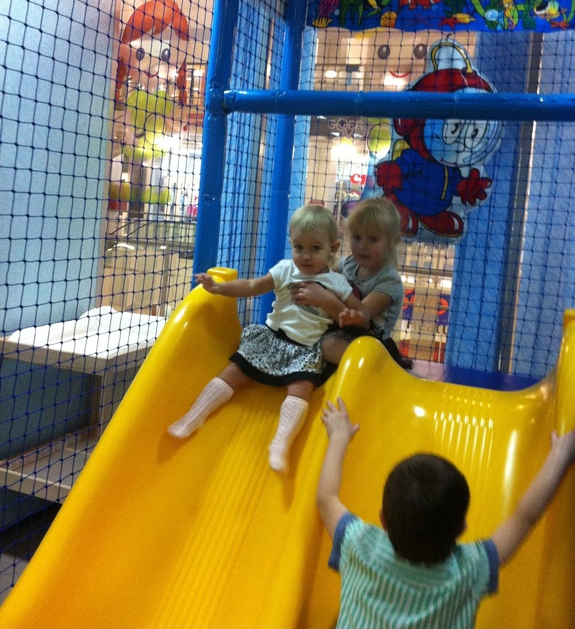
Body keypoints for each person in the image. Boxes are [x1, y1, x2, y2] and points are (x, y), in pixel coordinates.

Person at [317, 397, 575, 629]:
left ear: (383, 519)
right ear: (462, 528)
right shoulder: (469, 570)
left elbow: (326, 498)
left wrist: (339, 436)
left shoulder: (358, 544)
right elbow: (524, 517)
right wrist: (560, 455)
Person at [167, 205, 369, 473]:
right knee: (234, 371)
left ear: (332, 248)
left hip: (304, 350)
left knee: (302, 388)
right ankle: (194, 416)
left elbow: (360, 313)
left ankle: (281, 443)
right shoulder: (285, 270)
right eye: (299, 247)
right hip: (271, 339)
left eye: (315, 248)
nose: (305, 256)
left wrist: (347, 314)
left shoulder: (337, 283)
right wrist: (219, 288)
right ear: (291, 244)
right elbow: (253, 286)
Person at [292, 197, 407, 369]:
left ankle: (372, 369)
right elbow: (323, 276)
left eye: (373, 239)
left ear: (393, 241)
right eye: (357, 237)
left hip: (372, 343)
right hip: (343, 332)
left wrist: (324, 299)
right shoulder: (349, 264)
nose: (363, 246)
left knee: (327, 346)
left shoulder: (388, 281)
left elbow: (360, 321)